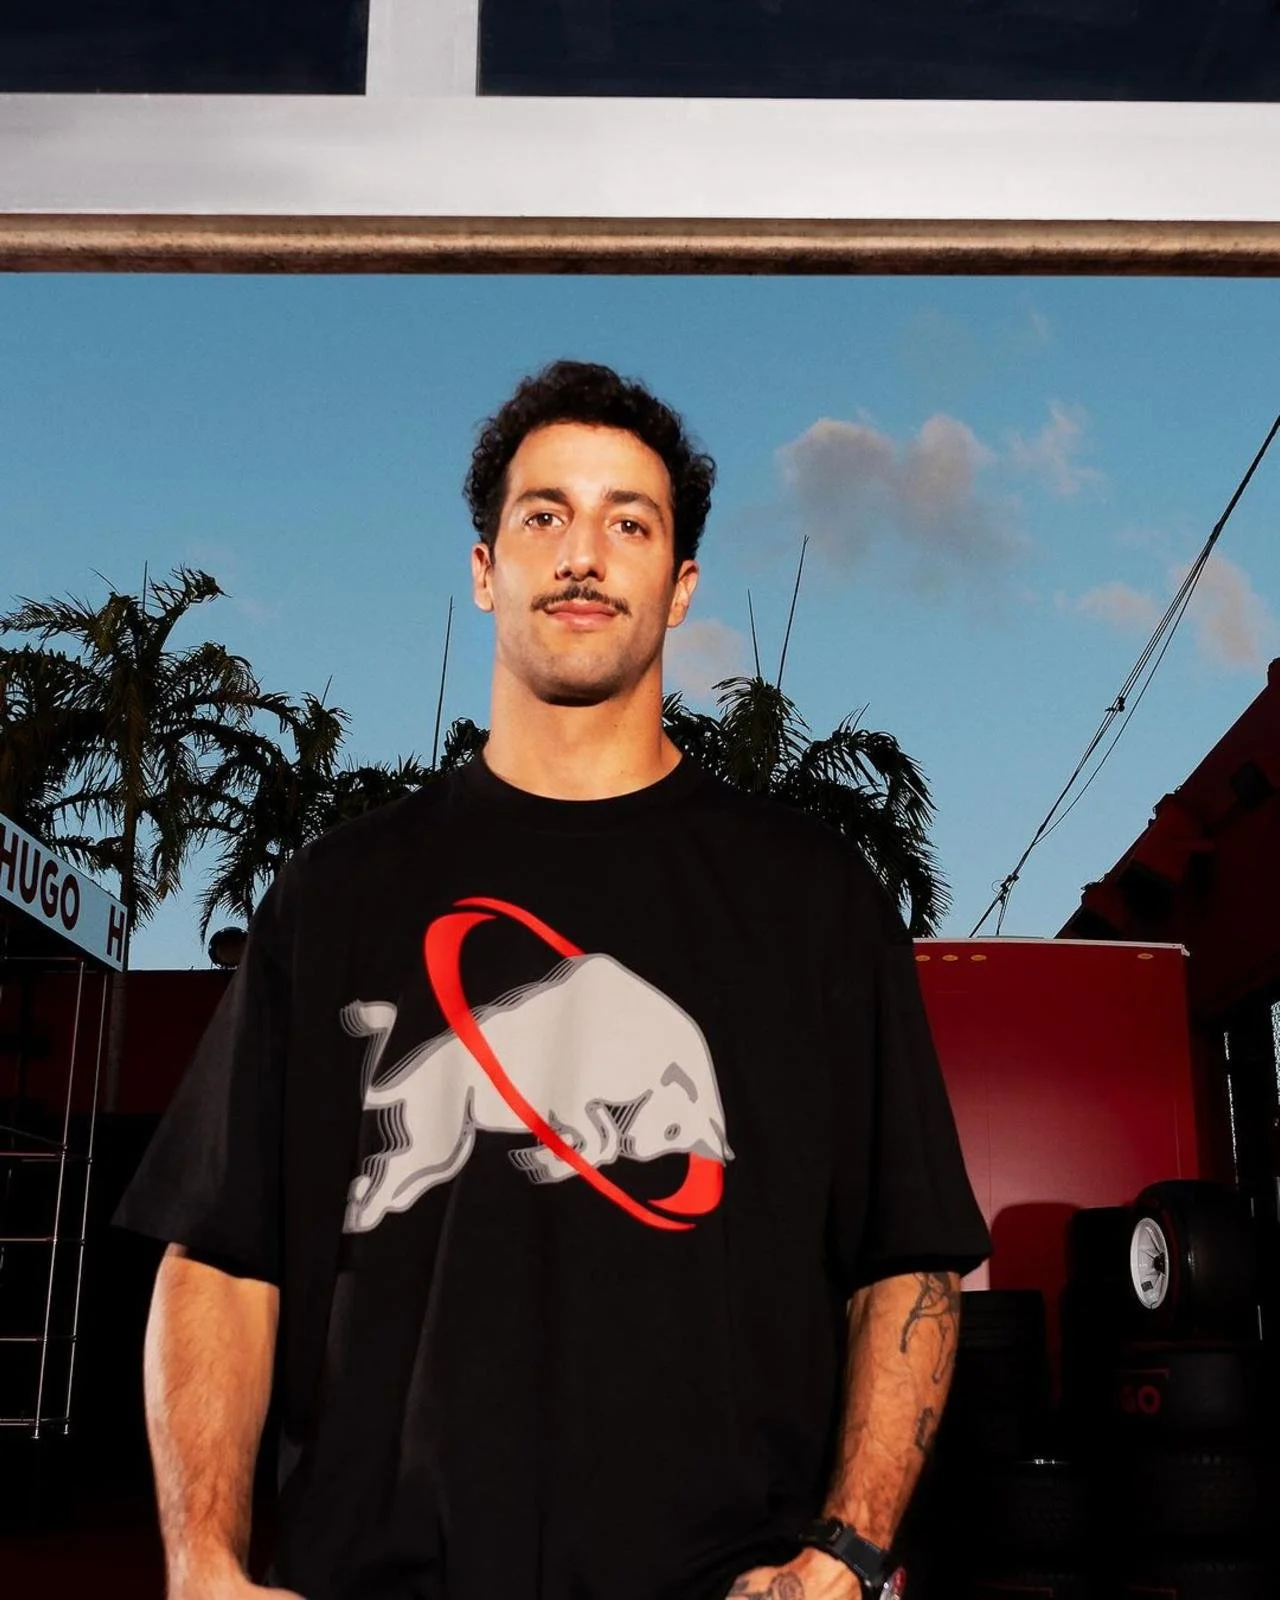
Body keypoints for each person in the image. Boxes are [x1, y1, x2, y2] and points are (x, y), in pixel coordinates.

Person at [113, 359, 991, 1600]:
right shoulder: (336, 892)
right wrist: (202, 1563)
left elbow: (907, 1262)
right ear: (484, 569)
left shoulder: (812, 898)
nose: (584, 554)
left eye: (627, 522)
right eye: (545, 516)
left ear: (679, 586)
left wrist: (842, 1557)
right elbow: (216, 1257)